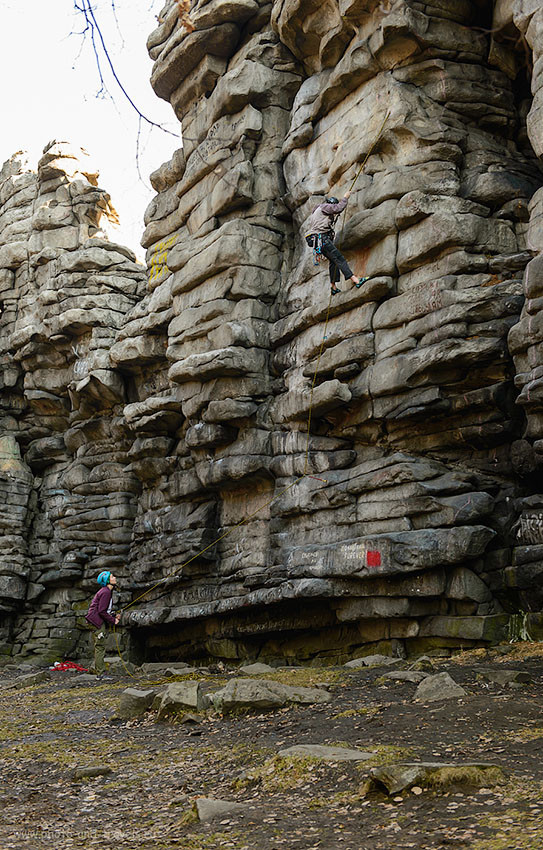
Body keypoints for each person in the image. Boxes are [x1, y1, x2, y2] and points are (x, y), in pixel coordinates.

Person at [305, 191, 366, 295]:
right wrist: (345, 197)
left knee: (333, 261)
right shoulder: (325, 207)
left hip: (317, 240)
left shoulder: (318, 212)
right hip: (321, 238)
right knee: (339, 258)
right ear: (331, 204)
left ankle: (333, 287)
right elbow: (338, 208)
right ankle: (356, 280)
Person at [85, 571, 121, 677]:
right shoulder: (106, 592)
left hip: (96, 621)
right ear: (107, 580)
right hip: (97, 622)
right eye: (112, 576)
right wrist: (113, 620)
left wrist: (113, 616)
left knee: (99, 647)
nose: (115, 577)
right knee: (100, 647)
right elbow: (101, 611)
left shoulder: (106, 591)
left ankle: (99, 672)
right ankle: (100, 674)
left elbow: (104, 610)